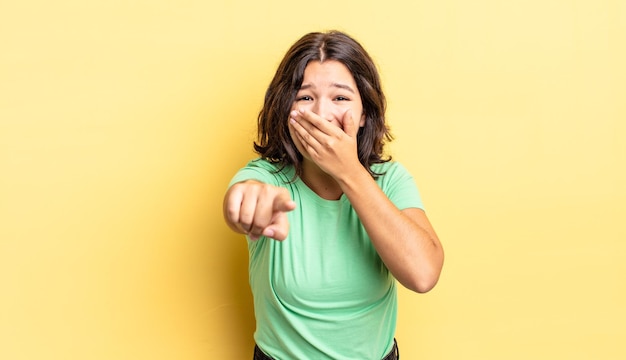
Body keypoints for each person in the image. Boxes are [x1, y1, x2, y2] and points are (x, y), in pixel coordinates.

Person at [223, 30, 444, 360]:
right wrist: (245, 204)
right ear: (286, 110)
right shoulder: (266, 177)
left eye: (340, 98)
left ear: (365, 113)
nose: (320, 115)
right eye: (305, 98)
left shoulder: (391, 181)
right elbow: (242, 196)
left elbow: (424, 274)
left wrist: (349, 171)